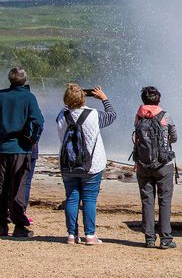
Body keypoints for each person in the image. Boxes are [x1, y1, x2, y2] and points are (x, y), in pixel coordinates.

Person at [56, 83, 117, 245]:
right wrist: (104, 98)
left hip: (68, 164)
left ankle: (71, 235)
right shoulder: (94, 115)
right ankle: (90, 235)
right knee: (89, 199)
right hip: (92, 165)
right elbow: (112, 115)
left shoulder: (61, 116)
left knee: (71, 198)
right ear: (84, 98)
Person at [0, 67, 44, 237]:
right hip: (21, 148)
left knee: (1, 188)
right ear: (25, 80)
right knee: (18, 187)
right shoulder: (28, 97)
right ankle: (19, 226)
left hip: (4, 148)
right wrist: (34, 139)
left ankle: (2, 225)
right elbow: (39, 121)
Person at [133, 86, 178, 249]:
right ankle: (166, 238)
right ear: (158, 99)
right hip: (164, 164)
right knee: (165, 201)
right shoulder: (166, 116)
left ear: (143, 100)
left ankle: (149, 238)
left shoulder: (138, 117)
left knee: (147, 201)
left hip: (143, 164)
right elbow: (174, 138)